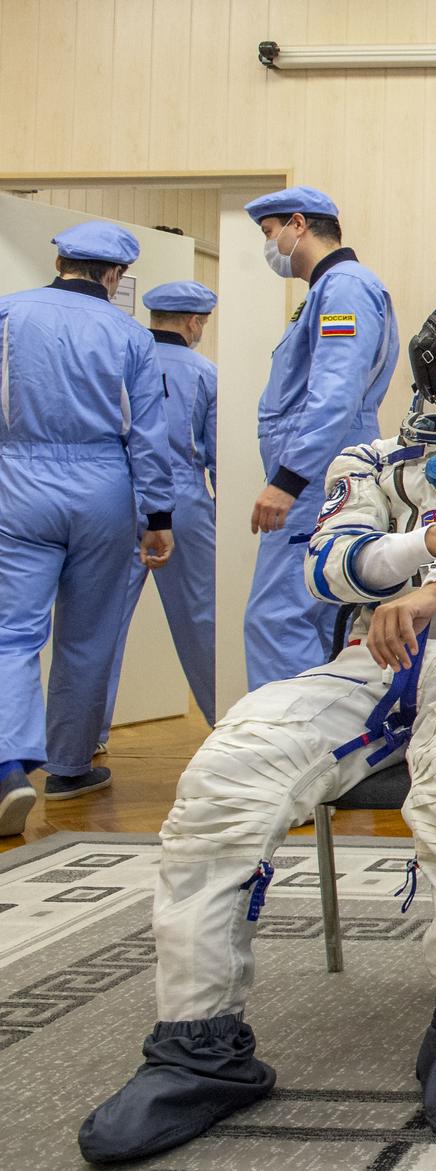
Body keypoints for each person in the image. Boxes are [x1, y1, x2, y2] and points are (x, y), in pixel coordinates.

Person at [79, 300, 436, 1163]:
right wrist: (428, 541)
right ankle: (198, 1046)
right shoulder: (369, 458)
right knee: (227, 769)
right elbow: (329, 565)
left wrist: (434, 586)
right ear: (427, 369)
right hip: (378, 657)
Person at [0, 222, 174, 838]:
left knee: (11, 633)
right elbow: (149, 436)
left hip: (17, 480)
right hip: (104, 485)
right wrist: (158, 517)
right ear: (115, 275)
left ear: (61, 260)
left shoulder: (8, 314)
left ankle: (6, 767)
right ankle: (70, 767)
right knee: (89, 633)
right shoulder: (129, 333)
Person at [241, 185, 399, 689]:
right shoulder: (327, 291)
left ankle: (283, 751)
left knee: (278, 619)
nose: (270, 246)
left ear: (297, 225)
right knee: (311, 617)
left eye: (270, 234)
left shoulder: (345, 288)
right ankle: (310, 743)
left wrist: (288, 479)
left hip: (316, 477)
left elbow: (335, 392)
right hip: (316, 472)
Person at [100, 280, 220, 729]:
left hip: (115, 498)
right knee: (203, 618)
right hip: (182, 500)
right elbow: (216, 455)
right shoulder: (205, 372)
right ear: (194, 322)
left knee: (100, 626)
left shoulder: (119, 362)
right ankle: (224, 722)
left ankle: (85, 739)